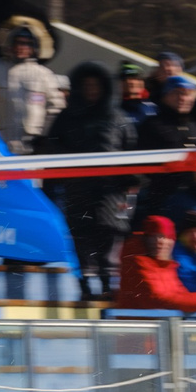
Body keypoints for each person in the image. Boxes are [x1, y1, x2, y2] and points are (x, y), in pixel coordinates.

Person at [42, 61, 138, 301]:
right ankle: (84, 285)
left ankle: (107, 285)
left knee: (108, 235)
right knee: (81, 236)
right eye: (86, 86)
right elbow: (52, 148)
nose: (91, 90)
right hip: (78, 187)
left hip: (111, 190)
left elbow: (133, 151)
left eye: (95, 85)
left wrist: (130, 180)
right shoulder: (66, 117)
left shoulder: (118, 118)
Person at [0, 21, 63, 153]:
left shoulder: (44, 75)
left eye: (27, 43)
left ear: (35, 47)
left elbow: (56, 108)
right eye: (18, 42)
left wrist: (43, 137)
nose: (21, 47)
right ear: (9, 44)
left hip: (31, 149)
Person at [117, 215, 196, 314]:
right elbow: (156, 298)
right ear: (146, 239)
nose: (160, 241)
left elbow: (179, 293)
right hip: (137, 323)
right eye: (154, 236)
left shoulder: (167, 266)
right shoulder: (137, 262)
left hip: (158, 322)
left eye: (166, 237)